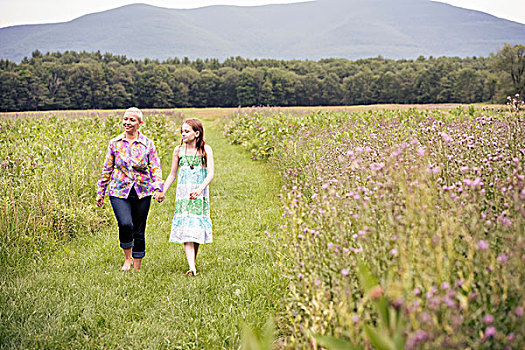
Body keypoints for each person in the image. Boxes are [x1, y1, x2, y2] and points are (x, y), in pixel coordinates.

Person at [96, 107, 163, 272]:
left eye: (132, 120)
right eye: (125, 119)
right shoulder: (115, 143)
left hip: (142, 190)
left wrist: (158, 188)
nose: (127, 122)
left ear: (140, 123)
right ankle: (128, 258)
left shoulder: (147, 144)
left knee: (139, 228)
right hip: (119, 190)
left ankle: (137, 266)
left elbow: (155, 168)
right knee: (125, 224)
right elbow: (107, 169)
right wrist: (101, 192)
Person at [158, 118, 214, 276]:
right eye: (182, 131)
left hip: (199, 194)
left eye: (187, 131)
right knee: (187, 229)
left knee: (195, 227)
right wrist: (163, 190)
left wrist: (200, 189)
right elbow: (172, 174)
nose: (183, 134)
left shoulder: (205, 150)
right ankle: (192, 266)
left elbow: (210, 174)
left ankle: (192, 263)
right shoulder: (178, 150)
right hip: (183, 195)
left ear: (197, 133)